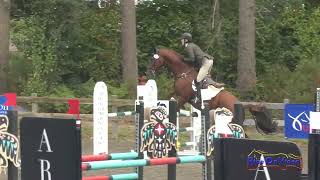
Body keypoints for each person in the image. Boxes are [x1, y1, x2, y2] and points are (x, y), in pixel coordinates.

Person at [180, 32, 225, 101]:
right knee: (204, 77)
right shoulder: (192, 45)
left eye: (182, 39)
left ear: (186, 40)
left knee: (198, 80)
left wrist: (183, 59)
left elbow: (192, 59)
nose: (181, 40)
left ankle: (198, 97)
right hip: (209, 61)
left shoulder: (188, 47)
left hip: (205, 62)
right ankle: (215, 84)